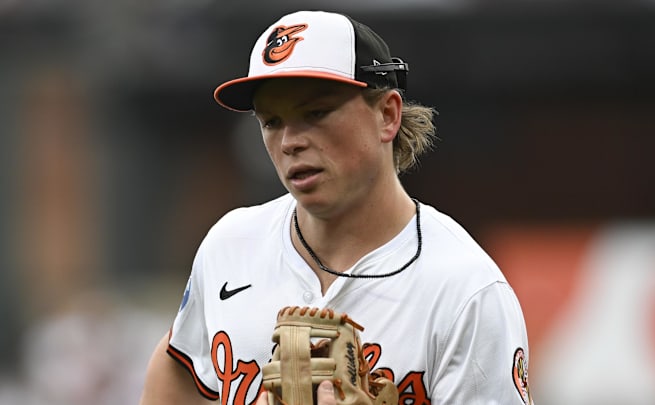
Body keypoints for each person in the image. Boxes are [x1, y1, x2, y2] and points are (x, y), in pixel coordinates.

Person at [140, 10, 533, 405]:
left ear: (387, 115)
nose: (290, 141)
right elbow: (176, 367)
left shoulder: (466, 289)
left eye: (316, 113)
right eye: (272, 121)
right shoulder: (231, 244)